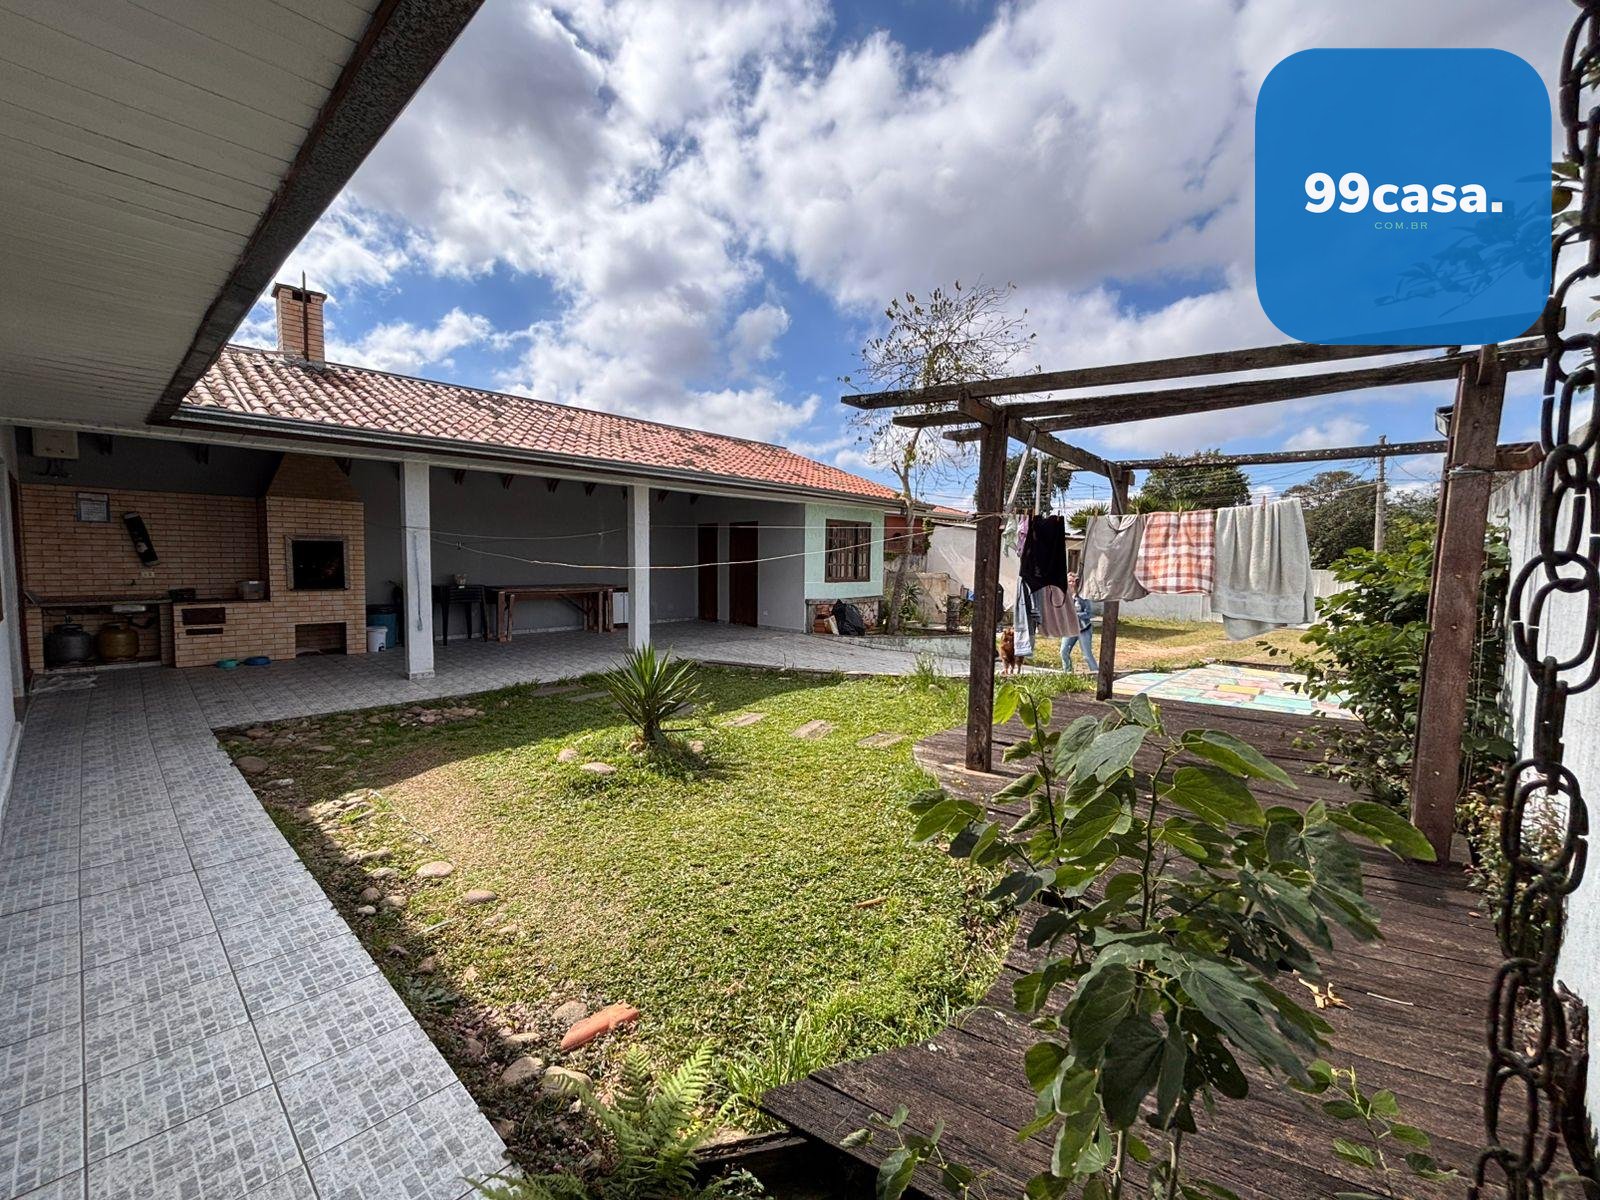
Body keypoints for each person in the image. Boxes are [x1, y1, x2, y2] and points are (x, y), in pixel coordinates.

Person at [1062, 571, 1098, 673]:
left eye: (1073, 581)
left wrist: (1076, 615)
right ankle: (1068, 673)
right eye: (1069, 581)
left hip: (1084, 629)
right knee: (1064, 651)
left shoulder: (1083, 596)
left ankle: (1096, 673)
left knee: (1087, 655)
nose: (1071, 583)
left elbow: (1089, 613)